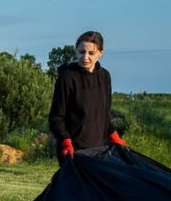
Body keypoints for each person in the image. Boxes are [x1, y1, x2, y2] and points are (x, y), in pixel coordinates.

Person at [49, 30, 126, 160]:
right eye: (81, 52)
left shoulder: (104, 76)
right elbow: (56, 117)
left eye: (91, 53)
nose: (85, 57)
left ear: (101, 53)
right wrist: (65, 140)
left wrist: (113, 134)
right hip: (74, 150)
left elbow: (105, 113)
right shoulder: (67, 77)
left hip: (101, 149)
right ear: (76, 50)